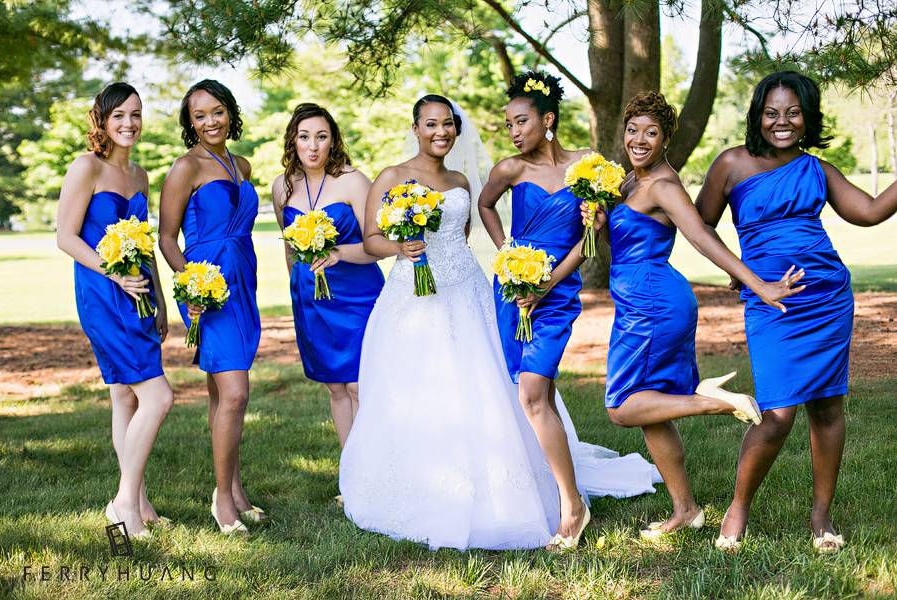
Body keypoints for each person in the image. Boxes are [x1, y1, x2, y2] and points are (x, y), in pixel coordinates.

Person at [339, 94, 660, 552]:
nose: (441, 132)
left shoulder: (460, 180)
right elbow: (372, 239)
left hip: (467, 289)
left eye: (447, 124)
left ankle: (536, 486)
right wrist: (401, 249)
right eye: (430, 124)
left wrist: (516, 253)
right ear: (415, 127)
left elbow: (463, 233)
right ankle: (429, 481)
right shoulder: (392, 176)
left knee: (491, 383)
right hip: (413, 297)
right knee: (417, 389)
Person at [581, 91, 804, 539]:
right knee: (652, 410)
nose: (639, 139)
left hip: (652, 305)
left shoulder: (663, 185)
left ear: (666, 139)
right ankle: (685, 509)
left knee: (623, 408)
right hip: (641, 298)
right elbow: (622, 249)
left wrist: (756, 282)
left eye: (651, 132)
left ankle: (717, 404)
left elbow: (702, 237)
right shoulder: (628, 182)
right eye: (633, 130)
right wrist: (600, 229)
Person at [695, 71, 897, 553]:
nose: (781, 122)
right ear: (756, 116)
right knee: (779, 413)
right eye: (771, 113)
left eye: (792, 112)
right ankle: (738, 506)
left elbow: (867, 212)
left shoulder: (816, 170)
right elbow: (700, 223)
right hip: (772, 301)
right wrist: (744, 274)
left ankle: (821, 516)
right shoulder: (731, 164)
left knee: (828, 406)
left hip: (826, 296)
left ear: (807, 118)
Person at [477, 71, 590, 550]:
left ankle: (571, 505)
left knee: (532, 393)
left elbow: (588, 243)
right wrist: (508, 256)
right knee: (533, 391)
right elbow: (485, 206)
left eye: (520, 121)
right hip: (514, 290)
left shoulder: (585, 167)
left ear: (548, 120)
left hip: (556, 293)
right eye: (508, 124)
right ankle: (556, 486)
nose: (513, 131)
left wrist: (547, 284)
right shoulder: (509, 170)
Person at [56, 82, 174, 539]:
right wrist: (114, 273)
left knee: (125, 395)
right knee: (158, 397)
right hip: (104, 293)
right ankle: (123, 501)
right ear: (102, 120)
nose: (129, 123)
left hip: (140, 292)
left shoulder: (141, 175)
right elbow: (66, 237)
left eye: (136, 114)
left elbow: (143, 244)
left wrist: (159, 300)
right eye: (119, 115)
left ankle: (139, 501)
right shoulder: (87, 167)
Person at [159, 80, 264, 534]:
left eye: (216, 111)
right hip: (208, 288)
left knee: (223, 393)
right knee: (237, 391)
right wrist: (192, 286)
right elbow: (166, 237)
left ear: (230, 112)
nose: (209, 122)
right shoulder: (186, 167)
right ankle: (222, 499)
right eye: (199, 116)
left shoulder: (241, 164)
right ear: (190, 124)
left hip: (243, 280)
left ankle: (236, 489)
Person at [271, 103, 384, 449]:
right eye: (305, 137)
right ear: (293, 141)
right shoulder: (282, 187)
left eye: (321, 137)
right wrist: (298, 283)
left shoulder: (353, 181)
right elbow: (289, 247)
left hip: (358, 295)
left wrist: (337, 253)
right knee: (336, 387)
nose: (313, 145)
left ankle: (376, 470)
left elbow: (377, 245)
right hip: (312, 299)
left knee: (360, 386)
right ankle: (350, 474)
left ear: (333, 140)